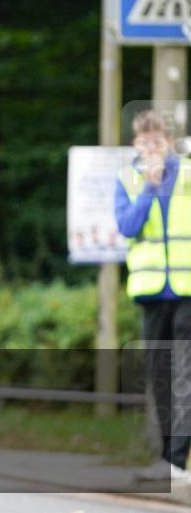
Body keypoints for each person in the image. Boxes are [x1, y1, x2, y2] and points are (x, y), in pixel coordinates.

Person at [114, 109, 191, 482]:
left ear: (170, 142)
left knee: (185, 373)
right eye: (144, 143)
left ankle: (177, 461)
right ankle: (165, 459)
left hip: (188, 291)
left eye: (157, 141)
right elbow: (127, 226)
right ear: (135, 144)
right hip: (150, 293)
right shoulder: (128, 179)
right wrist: (149, 186)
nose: (151, 148)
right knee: (159, 376)